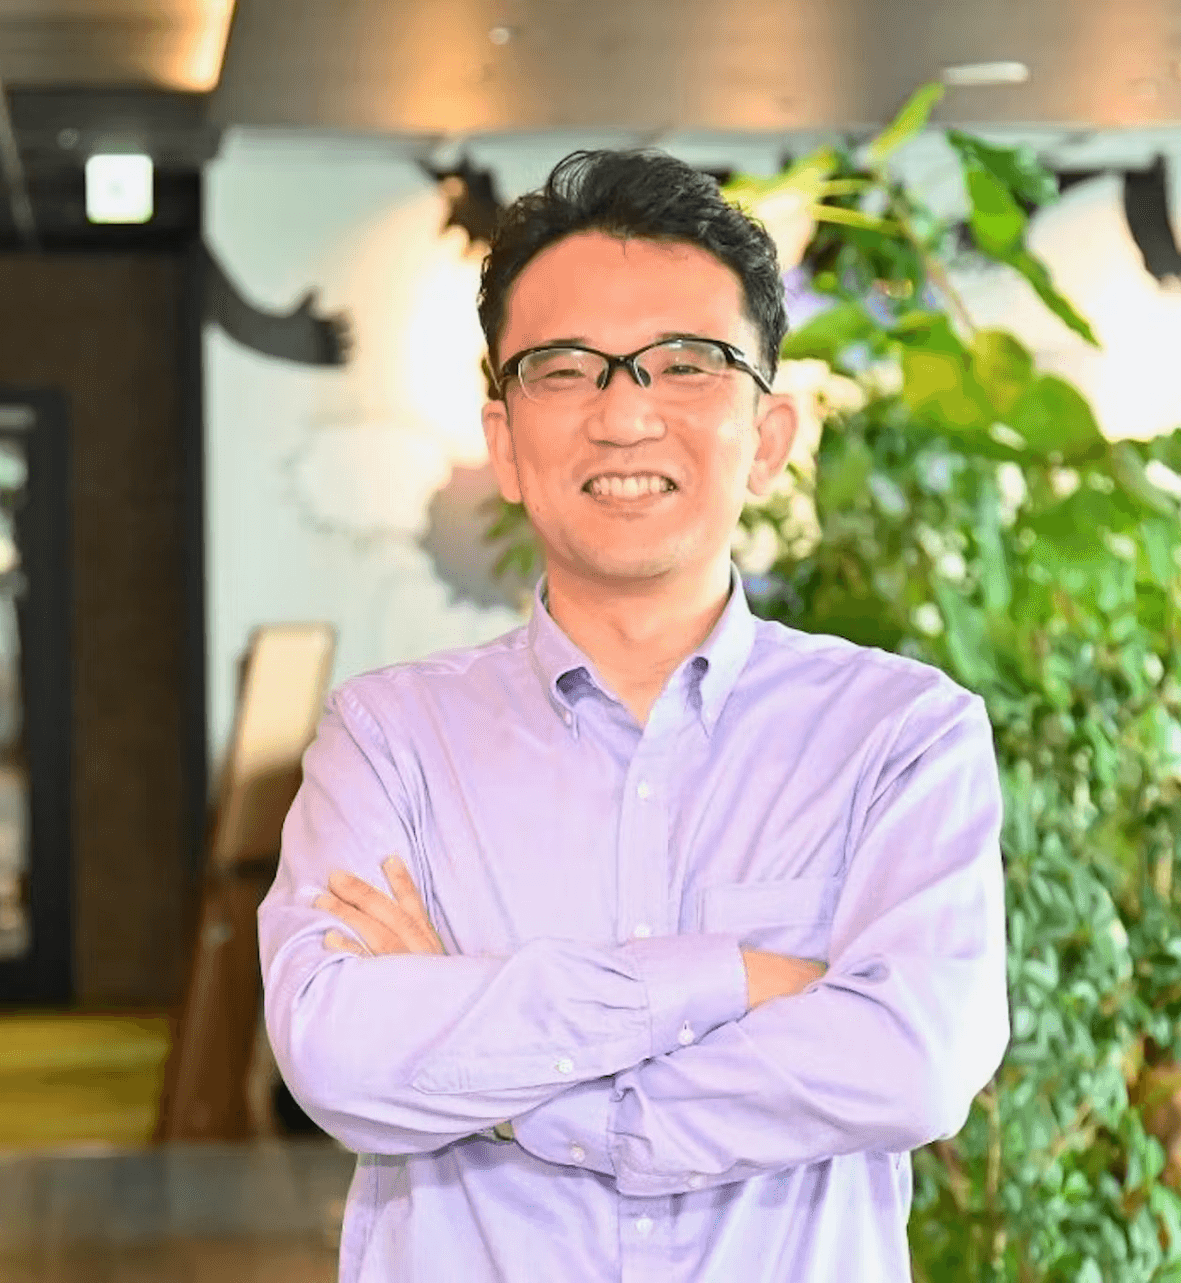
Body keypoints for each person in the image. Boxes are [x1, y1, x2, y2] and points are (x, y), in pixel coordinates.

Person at [257, 148, 1009, 1282]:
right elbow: (338, 1054)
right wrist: (733, 979)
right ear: (504, 442)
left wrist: (508, 1086)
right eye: (564, 368)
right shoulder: (388, 740)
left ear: (769, 438)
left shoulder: (902, 737)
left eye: (686, 364)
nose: (624, 413)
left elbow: (914, 1060)